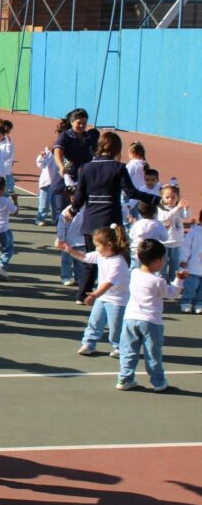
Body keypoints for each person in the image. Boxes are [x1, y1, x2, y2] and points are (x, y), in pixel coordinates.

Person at [64, 131, 161, 302]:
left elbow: (80, 196)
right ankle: (117, 291)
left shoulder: (86, 168)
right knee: (119, 257)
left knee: (91, 259)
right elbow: (131, 192)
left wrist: (72, 211)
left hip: (91, 220)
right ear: (117, 148)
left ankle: (82, 294)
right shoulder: (119, 168)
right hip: (111, 220)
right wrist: (154, 198)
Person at [118, 239, 184, 392]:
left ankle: (124, 378)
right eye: (163, 259)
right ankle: (158, 382)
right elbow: (172, 294)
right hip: (151, 322)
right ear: (156, 261)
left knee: (128, 350)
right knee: (153, 353)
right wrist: (179, 280)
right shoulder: (158, 281)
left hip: (130, 319)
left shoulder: (133, 273)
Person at [60, 225, 130, 357]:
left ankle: (120, 347)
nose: (96, 248)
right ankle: (89, 344)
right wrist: (69, 250)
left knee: (116, 328)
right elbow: (85, 257)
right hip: (103, 298)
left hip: (117, 301)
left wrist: (94, 295)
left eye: (98, 245)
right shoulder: (100, 255)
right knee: (94, 322)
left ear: (109, 245)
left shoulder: (118, 262)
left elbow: (108, 283)